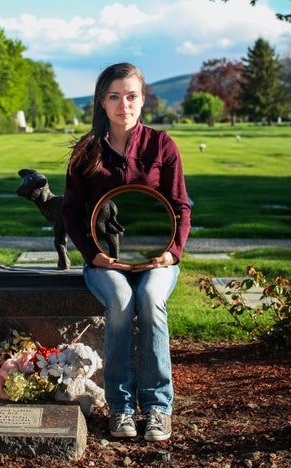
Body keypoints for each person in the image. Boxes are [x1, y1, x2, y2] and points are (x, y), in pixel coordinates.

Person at [62, 63, 191, 441]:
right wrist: (92, 254)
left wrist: (172, 253)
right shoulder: (87, 151)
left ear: (143, 100)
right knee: (120, 300)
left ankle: (156, 408)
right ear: (102, 102)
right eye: (115, 97)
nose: (124, 105)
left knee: (150, 298)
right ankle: (120, 408)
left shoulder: (161, 145)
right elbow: (70, 211)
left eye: (131, 96)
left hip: (157, 259)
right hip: (105, 260)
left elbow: (181, 206)